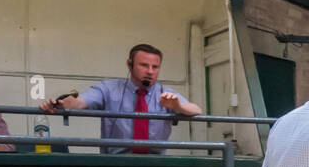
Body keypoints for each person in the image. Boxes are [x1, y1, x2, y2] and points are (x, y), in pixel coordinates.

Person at [39, 43, 201, 154]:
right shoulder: (109, 89)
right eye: (144, 65)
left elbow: (196, 110)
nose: (150, 71)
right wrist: (62, 104)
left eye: (155, 67)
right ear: (129, 64)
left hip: (156, 164)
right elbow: (82, 101)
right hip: (115, 163)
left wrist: (178, 106)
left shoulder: (166, 94)